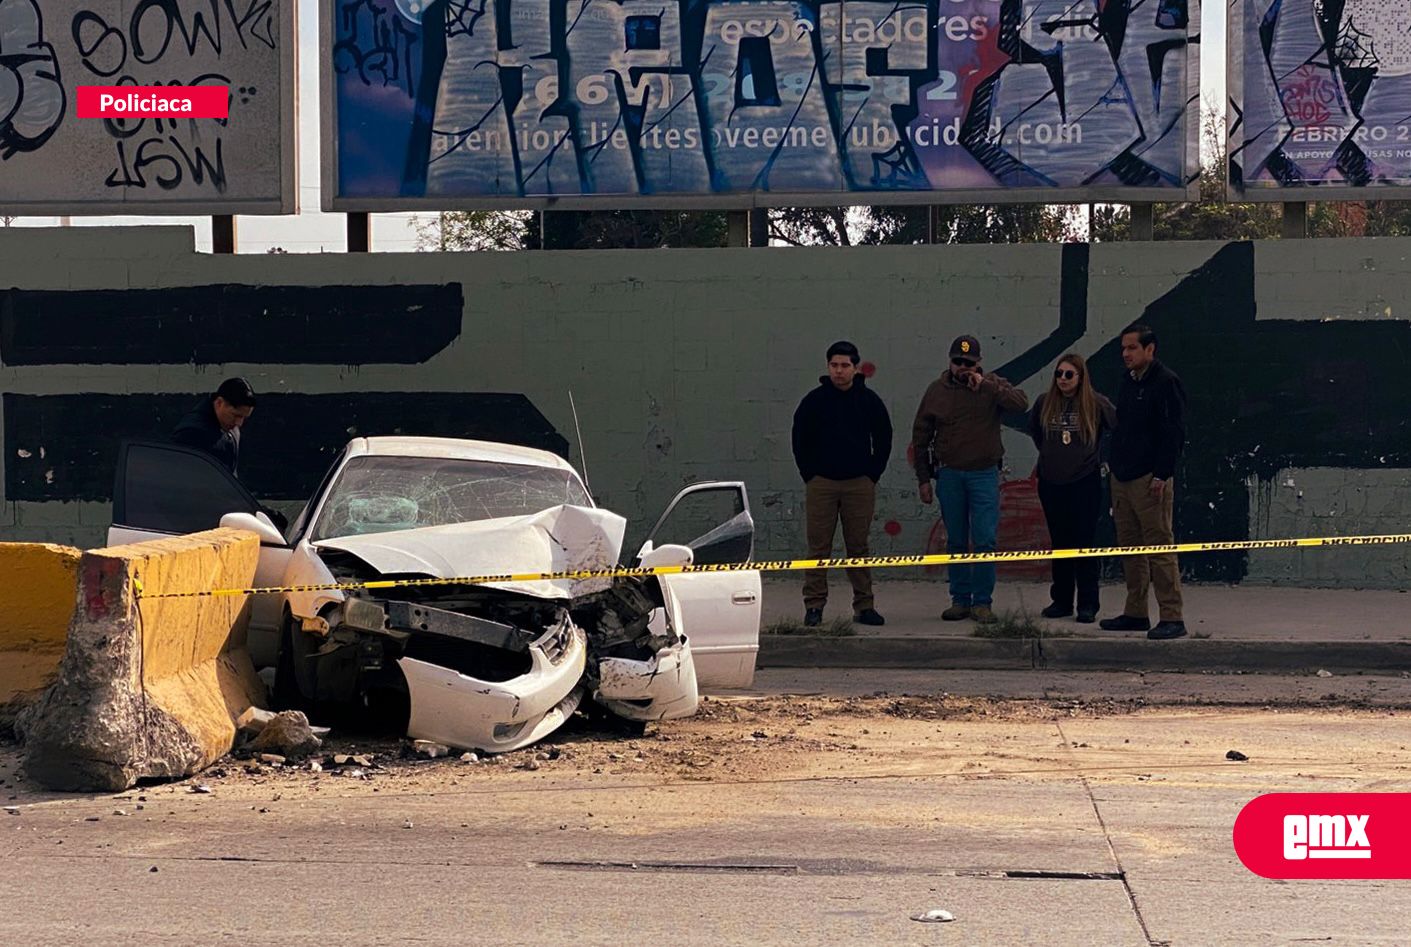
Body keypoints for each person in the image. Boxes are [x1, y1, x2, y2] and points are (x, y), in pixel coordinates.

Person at [911, 335, 1028, 623]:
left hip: (983, 474)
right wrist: (924, 479)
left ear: (979, 363)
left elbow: (1020, 404)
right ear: (949, 362)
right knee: (956, 540)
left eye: (969, 363)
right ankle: (960, 600)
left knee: (985, 539)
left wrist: (986, 385)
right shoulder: (936, 391)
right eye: (957, 362)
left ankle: (982, 603)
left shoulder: (992, 385)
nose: (963, 367)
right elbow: (921, 437)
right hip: (950, 474)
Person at [791, 341, 892, 627]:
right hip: (821, 483)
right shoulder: (813, 401)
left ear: (856, 368)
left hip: (859, 484)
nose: (839, 371)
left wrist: (872, 474)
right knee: (818, 548)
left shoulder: (869, 401)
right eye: (834, 365)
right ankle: (814, 606)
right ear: (828, 367)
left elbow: (884, 438)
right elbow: (799, 439)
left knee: (858, 547)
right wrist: (809, 474)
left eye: (845, 366)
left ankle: (864, 605)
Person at [1099, 324, 1189, 640]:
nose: (1125, 354)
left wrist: (1162, 474)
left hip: (1150, 480)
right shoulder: (1128, 381)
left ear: (1150, 350)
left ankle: (1171, 616)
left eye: (1132, 348)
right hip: (1122, 477)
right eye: (1123, 348)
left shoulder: (1166, 383)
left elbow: (1173, 433)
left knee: (1159, 547)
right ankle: (1136, 612)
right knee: (1131, 550)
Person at [1028, 353, 1117, 624]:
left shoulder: (1096, 403)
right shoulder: (1045, 402)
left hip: (1084, 482)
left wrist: (1103, 459)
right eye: (1059, 374)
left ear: (1080, 377)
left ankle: (1088, 604)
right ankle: (1062, 600)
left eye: (1069, 374)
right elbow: (1036, 433)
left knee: (1084, 544)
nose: (1063, 380)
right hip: (1052, 482)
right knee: (1061, 543)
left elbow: (1118, 426)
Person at [172, 377, 256, 477]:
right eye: (235, 415)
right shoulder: (191, 433)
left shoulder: (229, 428)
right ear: (219, 403)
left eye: (243, 417)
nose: (239, 423)